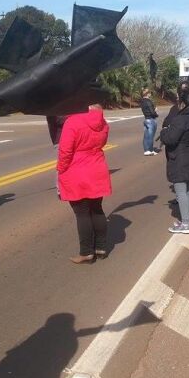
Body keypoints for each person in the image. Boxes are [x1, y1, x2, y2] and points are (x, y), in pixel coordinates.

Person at [57, 104, 112, 264]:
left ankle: (86, 251)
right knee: (96, 208)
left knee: (82, 212)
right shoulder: (103, 122)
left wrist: (61, 168)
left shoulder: (73, 122)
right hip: (96, 167)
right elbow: (102, 143)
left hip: (77, 169)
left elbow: (65, 150)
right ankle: (101, 247)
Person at [161, 89, 189, 234]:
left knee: (181, 191)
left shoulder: (180, 120)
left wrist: (164, 130)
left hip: (180, 158)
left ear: (183, 102)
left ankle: (185, 224)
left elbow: (169, 139)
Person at [140, 88, 159, 156]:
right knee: (151, 136)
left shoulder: (142, 101)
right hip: (151, 119)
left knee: (146, 136)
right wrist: (156, 112)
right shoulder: (148, 101)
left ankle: (146, 150)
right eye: (150, 93)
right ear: (148, 94)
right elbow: (152, 112)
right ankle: (150, 150)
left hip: (146, 119)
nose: (150, 94)